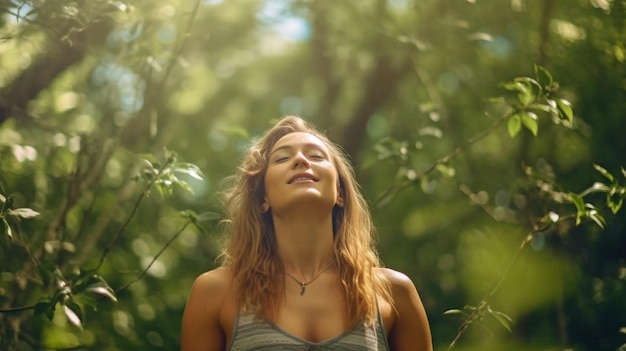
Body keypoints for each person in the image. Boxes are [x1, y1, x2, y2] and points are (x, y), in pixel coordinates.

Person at [181, 116, 432, 350]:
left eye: (316, 156)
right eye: (281, 159)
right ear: (263, 199)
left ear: (340, 194)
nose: (301, 161)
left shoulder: (393, 292)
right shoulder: (215, 291)